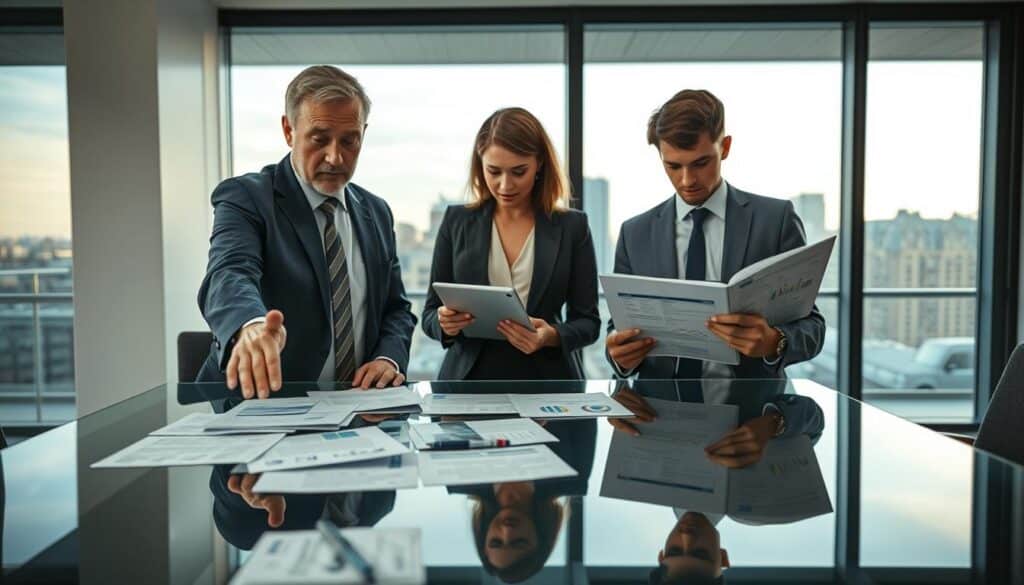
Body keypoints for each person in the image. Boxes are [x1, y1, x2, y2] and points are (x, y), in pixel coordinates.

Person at [197, 65, 416, 397]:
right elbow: (229, 273)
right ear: (288, 130)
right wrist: (251, 325)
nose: (335, 156)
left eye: (349, 140)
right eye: (320, 138)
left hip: (359, 409)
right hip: (265, 406)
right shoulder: (246, 197)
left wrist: (389, 358)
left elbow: (395, 308)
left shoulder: (377, 212)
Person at [605, 89, 825, 381]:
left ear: (726, 147)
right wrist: (618, 355)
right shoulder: (635, 233)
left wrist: (775, 341)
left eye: (700, 163)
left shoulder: (775, 221)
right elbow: (619, 326)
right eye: (673, 166)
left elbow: (812, 326)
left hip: (754, 412)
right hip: (659, 412)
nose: (687, 180)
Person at [422, 107, 600, 380]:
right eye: (494, 171)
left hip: (549, 381)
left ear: (539, 163)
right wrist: (445, 322)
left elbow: (589, 323)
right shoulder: (456, 221)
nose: (505, 185)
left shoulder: (572, 227)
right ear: (480, 165)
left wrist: (550, 336)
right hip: (468, 380)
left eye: (519, 172)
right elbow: (429, 316)